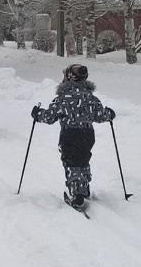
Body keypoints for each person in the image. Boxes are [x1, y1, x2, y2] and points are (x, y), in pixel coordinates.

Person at [31, 64, 115, 209]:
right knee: (83, 159)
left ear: (69, 78)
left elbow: (50, 117)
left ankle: (77, 195)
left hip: (70, 133)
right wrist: (110, 114)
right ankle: (84, 186)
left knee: (71, 162)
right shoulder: (90, 97)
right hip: (87, 134)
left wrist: (37, 114)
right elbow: (100, 115)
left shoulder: (63, 98)